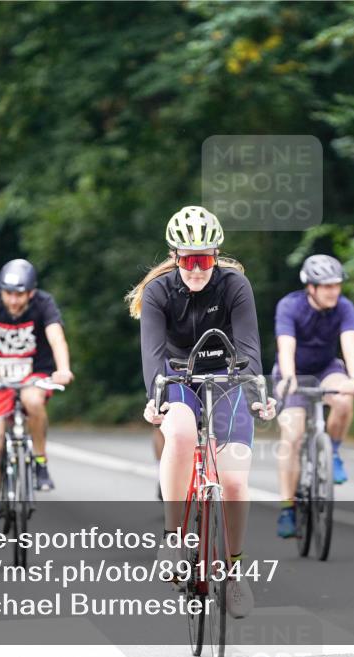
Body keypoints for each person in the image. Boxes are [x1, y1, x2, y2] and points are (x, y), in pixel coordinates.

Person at [126, 205, 276, 619]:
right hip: (177, 376)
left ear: (216, 255)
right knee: (178, 434)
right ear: (175, 256)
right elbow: (153, 358)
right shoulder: (158, 292)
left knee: (233, 480)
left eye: (205, 259)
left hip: (228, 377)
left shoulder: (234, 285)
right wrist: (157, 400)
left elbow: (249, 348)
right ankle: (174, 537)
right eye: (189, 260)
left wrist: (257, 390)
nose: (196, 269)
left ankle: (233, 571)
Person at [0, 259, 74, 538]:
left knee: (33, 402)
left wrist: (63, 369)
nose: (13, 300)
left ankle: (40, 461)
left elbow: (56, 337)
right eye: (8, 293)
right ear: (1, 291)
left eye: (19, 294)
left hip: (33, 374)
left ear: (31, 293)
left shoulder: (43, 304)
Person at [273, 254, 354, 538]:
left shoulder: (344, 307)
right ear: (310, 287)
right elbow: (286, 347)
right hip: (295, 373)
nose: (333, 291)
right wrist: (288, 380)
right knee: (292, 436)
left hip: (326, 369)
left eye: (336, 286)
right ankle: (288, 506)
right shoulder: (290, 306)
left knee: (344, 399)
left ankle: (333, 451)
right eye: (327, 287)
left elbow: (350, 346)